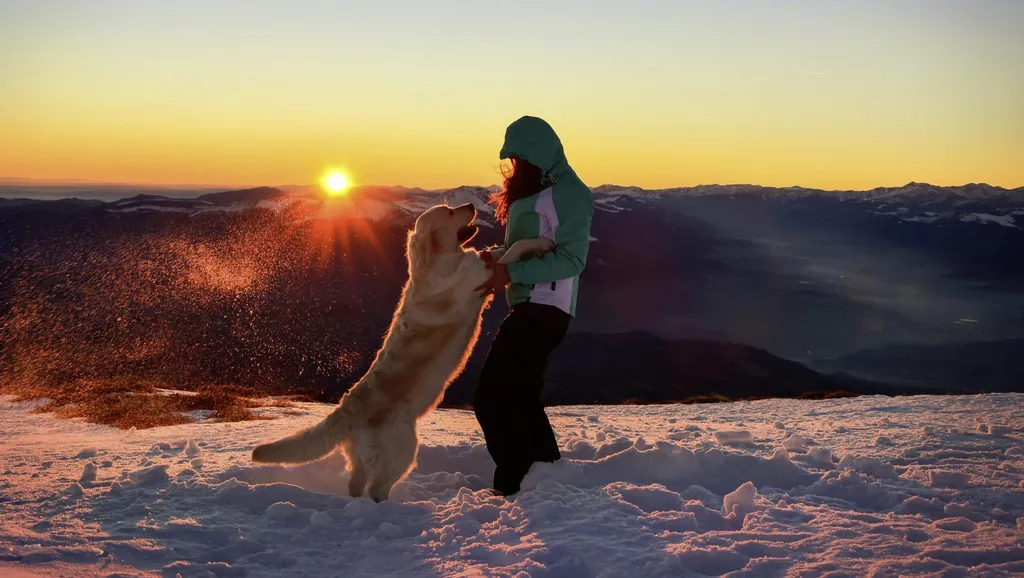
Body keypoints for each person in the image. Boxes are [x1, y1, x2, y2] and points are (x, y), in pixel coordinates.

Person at [475, 116, 594, 496]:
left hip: (545, 308)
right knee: (521, 398)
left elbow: (573, 260)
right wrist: (493, 260)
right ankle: (547, 478)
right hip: (533, 306)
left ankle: (513, 485)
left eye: (518, 159)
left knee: (492, 398)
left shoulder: (569, 193)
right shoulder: (540, 189)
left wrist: (512, 274)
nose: (513, 167)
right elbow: (526, 246)